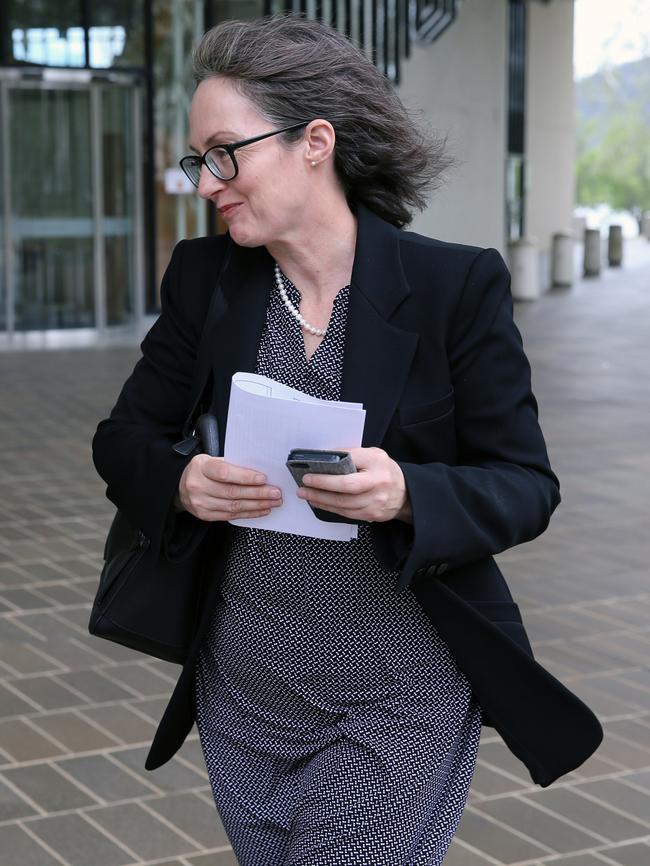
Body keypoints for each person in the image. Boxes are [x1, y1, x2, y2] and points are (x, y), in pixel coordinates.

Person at [92, 14, 602, 865]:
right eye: (199, 160)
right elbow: (122, 439)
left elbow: (525, 484)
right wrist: (181, 482)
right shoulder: (205, 279)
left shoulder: (452, 284)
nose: (207, 180)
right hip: (247, 699)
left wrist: (409, 491)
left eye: (225, 153)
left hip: (397, 699)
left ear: (314, 142)